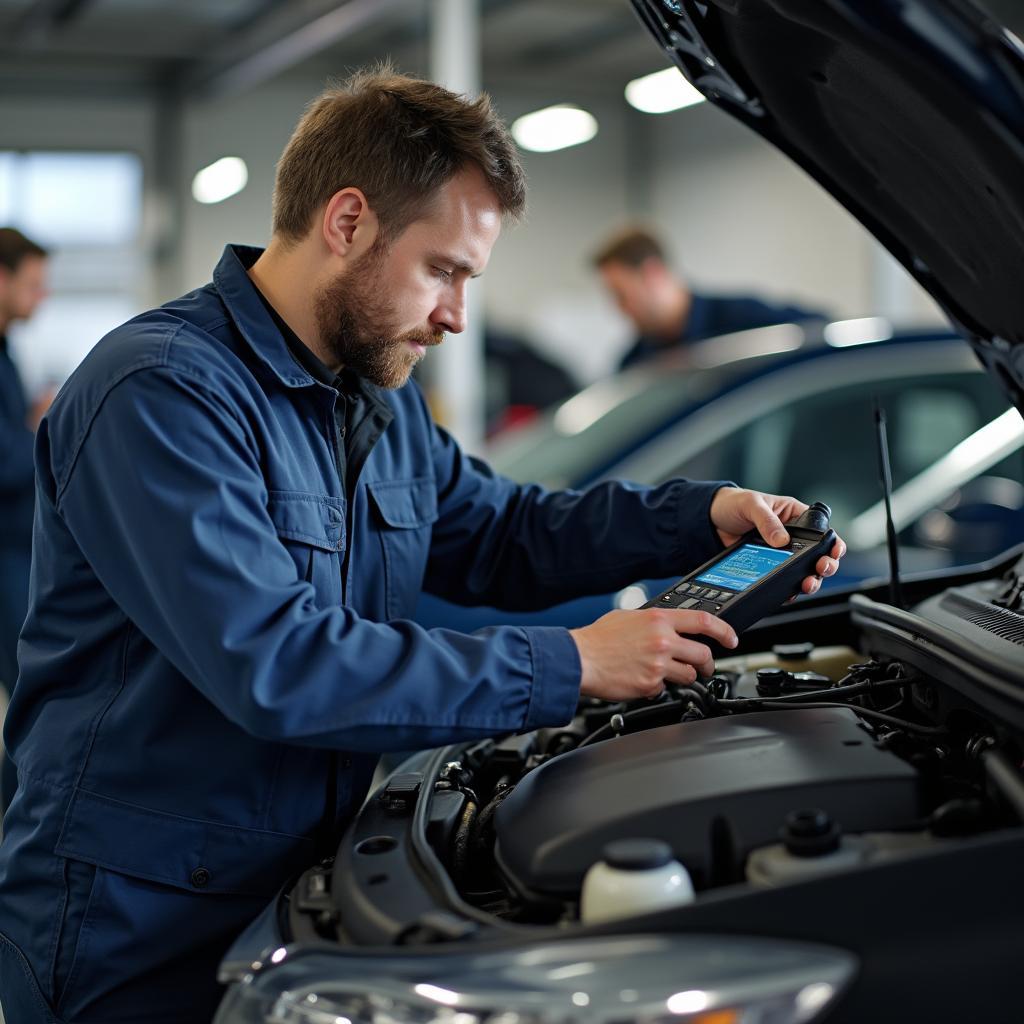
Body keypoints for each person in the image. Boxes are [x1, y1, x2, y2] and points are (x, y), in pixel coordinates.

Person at [0, 66, 844, 1024]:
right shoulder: (160, 394)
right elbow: (277, 661)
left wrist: (698, 517)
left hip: (294, 880)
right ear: (348, 220)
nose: (456, 316)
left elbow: (503, 532)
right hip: (132, 914)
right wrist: (570, 663)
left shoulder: (373, 397)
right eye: (443, 270)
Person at [592, 226, 829, 370]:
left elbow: (825, 333)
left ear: (652, 274)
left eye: (621, 295)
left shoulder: (743, 321)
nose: (619, 308)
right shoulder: (635, 363)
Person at [0, 228, 50, 813]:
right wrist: (35, 427)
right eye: (33, 285)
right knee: (31, 701)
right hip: (4, 556)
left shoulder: (10, 352)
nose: (42, 297)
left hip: (18, 548)